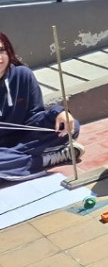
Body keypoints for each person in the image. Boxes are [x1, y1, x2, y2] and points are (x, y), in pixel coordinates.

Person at [0, 32, 83, 182]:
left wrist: (59, 112)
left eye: (1, 50)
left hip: (25, 140)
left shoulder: (22, 74)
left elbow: (34, 115)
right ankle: (47, 160)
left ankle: (13, 165)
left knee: (71, 126)